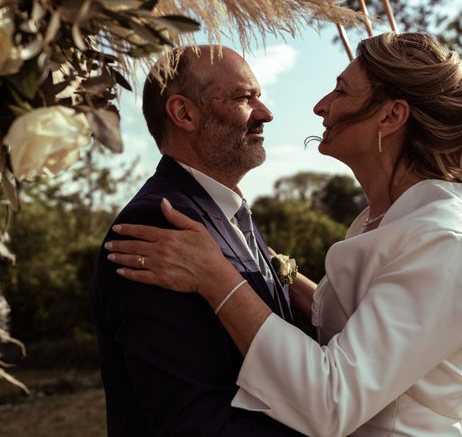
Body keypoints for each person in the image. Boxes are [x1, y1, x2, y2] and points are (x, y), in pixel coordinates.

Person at [104, 32, 462, 436]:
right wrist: (266, 261)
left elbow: (333, 399)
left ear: (390, 117)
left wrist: (217, 276)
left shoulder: (444, 240)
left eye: (341, 91)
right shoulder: (383, 219)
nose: (320, 107)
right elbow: (358, 322)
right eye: (246, 97)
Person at [92, 45, 304, 436]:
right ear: (184, 113)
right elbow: (191, 420)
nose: (265, 113)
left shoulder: (226, 212)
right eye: (244, 97)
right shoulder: (161, 224)